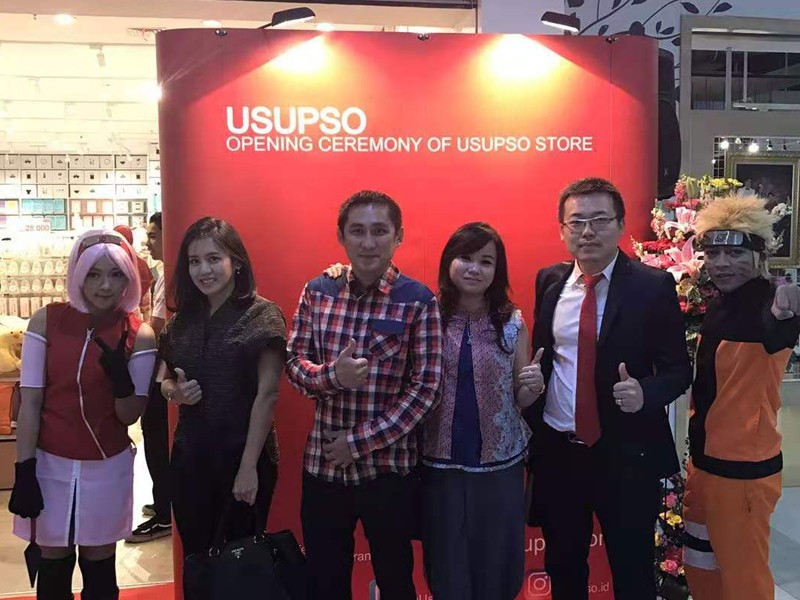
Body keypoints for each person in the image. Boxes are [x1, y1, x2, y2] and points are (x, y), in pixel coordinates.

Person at [527, 177, 692, 600]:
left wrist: (645, 394)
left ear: (620, 225)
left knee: (632, 571)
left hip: (626, 456)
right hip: (560, 453)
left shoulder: (652, 287)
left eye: (600, 220)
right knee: (564, 567)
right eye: (576, 222)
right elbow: (547, 358)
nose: (588, 231)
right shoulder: (549, 283)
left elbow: (678, 371)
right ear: (562, 230)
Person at [286, 190, 442, 600]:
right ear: (341, 236)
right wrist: (332, 377)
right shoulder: (318, 291)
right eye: (357, 231)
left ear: (398, 236)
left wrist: (357, 443)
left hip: (387, 472)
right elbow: (294, 363)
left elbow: (426, 390)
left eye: (379, 231)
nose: (368, 242)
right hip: (323, 468)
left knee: (396, 580)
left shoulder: (419, 301)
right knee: (325, 582)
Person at [9, 229, 157, 599]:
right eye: (93, 274)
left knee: (99, 564)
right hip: (49, 462)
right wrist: (24, 468)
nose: (105, 286)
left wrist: (122, 383)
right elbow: (31, 401)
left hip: (106, 465)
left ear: (129, 276)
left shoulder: (139, 334)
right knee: (53, 561)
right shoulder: (46, 321)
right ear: (77, 274)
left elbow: (130, 415)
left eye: (116, 274)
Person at [683, 194, 800, 600]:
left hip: (743, 475)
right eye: (713, 253)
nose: (721, 263)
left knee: (743, 580)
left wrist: (789, 305)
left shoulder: (771, 304)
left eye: (734, 253)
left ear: (759, 256)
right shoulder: (721, 304)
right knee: (701, 566)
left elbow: (780, 323)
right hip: (704, 466)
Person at [420, 222, 541, 600]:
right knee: (446, 563)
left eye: (486, 261)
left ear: (496, 271)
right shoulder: (426, 316)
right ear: (448, 262)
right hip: (440, 463)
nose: (474, 268)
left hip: (500, 466)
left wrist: (533, 385)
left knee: (497, 564)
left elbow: (521, 397)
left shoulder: (512, 322)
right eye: (465, 258)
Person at [158, 217, 286, 562]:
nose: (204, 270)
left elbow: (268, 396)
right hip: (190, 457)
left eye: (214, 259)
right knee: (197, 560)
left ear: (236, 261)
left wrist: (248, 468)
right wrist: (174, 393)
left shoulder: (262, 315)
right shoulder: (181, 320)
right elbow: (165, 379)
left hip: (244, 455)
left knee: (241, 564)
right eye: (194, 261)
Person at [127, 212, 171, 543]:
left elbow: (156, 329)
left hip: (161, 375)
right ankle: (163, 504)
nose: (148, 242)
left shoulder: (169, 279)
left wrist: (135, 335)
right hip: (161, 373)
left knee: (157, 441)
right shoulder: (164, 275)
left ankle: (165, 513)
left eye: (154, 235)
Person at [113, 224, 153, 319]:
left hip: (111, 319)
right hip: (135, 319)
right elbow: (145, 306)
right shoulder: (141, 264)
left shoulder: (107, 263)